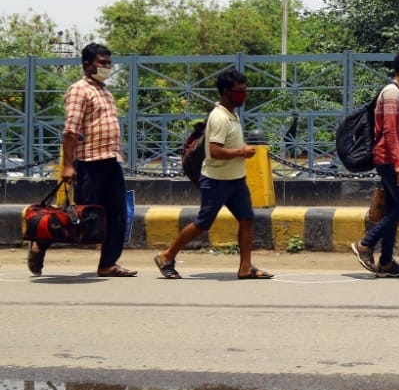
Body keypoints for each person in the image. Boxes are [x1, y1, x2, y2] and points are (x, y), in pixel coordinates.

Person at [29, 43, 136, 277]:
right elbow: (70, 132)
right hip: (88, 163)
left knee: (118, 214)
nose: (107, 67)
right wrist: (67, 165)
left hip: (110, 160)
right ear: (87, 64)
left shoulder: (105, 91)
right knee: (79, 215)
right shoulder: (79, 90)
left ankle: (108, 263)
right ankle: (41, 242)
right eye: (102, 62)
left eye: (109, 62)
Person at [153, 69, 272, 279]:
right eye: (240, 91)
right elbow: (215, 151)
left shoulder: (232, 114)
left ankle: (245, 267)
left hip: (236, 180)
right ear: (227, 92)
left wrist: (241, 147)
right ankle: (166, 255)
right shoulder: (219, 118)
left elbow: (228, 143)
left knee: (247, 219)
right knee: (203, 223)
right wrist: (241, 152)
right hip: (217, 181)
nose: (244, 94)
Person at [350, 50, 399, 278]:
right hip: (388, 159)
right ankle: (365, 244)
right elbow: (390, 131)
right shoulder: (391, 93)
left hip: (391, 158)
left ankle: (387, 261)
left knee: (393, 208)